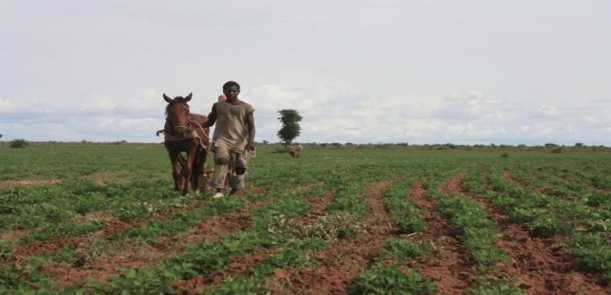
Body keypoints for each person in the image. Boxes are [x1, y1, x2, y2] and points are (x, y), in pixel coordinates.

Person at [201, 81, 255, 198]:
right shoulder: (218, 106)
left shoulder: (247, 107)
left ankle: (235, 189)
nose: (231, 93)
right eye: (228, 91)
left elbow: (251, 127)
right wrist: (197, 125)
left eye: (234, 91)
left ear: (238, 92)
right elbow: (210, 122)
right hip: (222, 139)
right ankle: (219, 190)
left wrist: (250, 142)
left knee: (240, 166)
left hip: (240, 140)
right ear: (224, 92)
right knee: (221, 160)